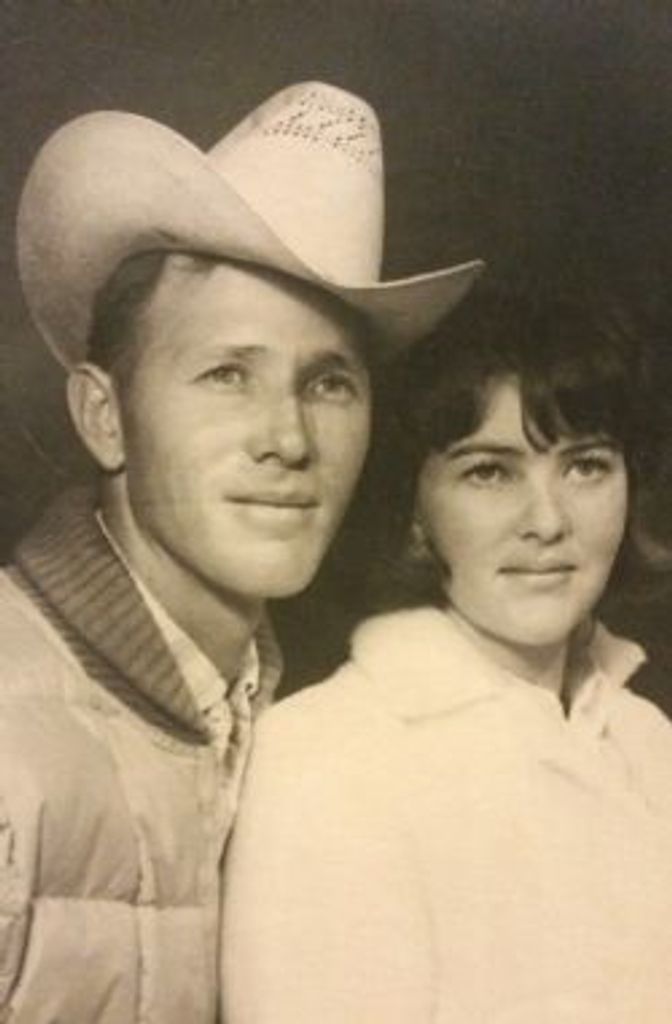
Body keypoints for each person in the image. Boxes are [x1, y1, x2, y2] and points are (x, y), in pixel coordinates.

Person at [0, 81, 482, 1024]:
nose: (290, 440)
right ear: (105, 416)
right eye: (228, 374)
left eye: (329, 383)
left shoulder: (286, 721)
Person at [222, 290, 672, 1024]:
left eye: (586, 466)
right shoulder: (329, 754)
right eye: (489, 472)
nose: (548, 521)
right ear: (415, 511)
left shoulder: (647, 741)